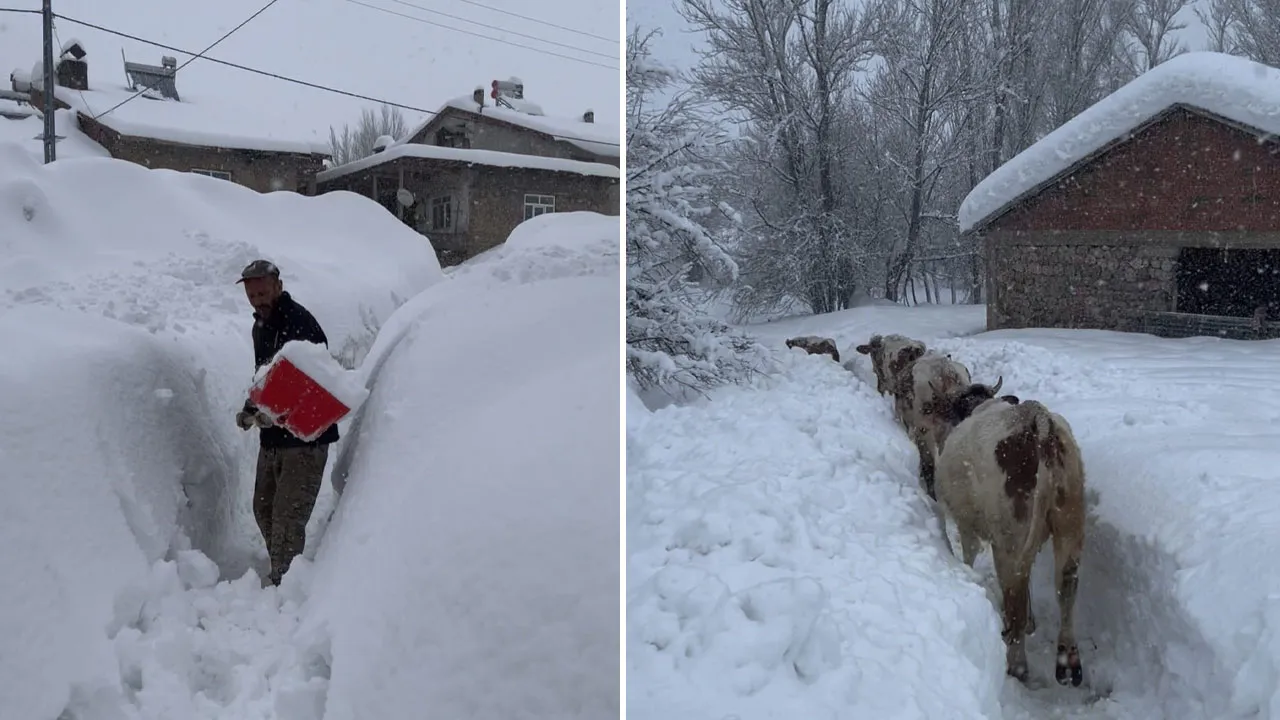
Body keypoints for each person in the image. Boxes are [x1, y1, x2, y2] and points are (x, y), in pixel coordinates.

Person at [234, 259, 340, 586]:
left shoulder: (301, 325)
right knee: (263, 509)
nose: (258, 301)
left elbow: (318, 382)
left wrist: (282, 410)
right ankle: (283, 571)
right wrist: (252, 409)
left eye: (263, 293)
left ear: (278, 286)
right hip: (273, 437)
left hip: (306, 439)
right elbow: (265, 375)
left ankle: (285, 587)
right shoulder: (260, 327)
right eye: (252, 296)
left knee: (287, 517)